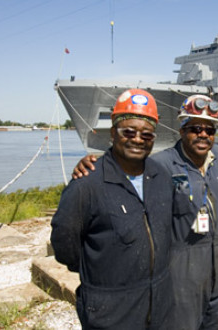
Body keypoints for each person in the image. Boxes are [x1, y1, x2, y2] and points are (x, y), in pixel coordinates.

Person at [73, 94, 218, 330]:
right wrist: (90, 165)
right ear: (181, 130)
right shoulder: (159, 165)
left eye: (209, 130)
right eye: (195, 128)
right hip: (182, 271)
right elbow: (121, 170)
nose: (203, 134)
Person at [51, 89, 173, 329]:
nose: (137, 139)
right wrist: (95, 266)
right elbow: (64, 241)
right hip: (111, 310)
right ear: (113, 134)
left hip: (159, 305)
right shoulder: (86, 184)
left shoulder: (161, 177)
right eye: (128, 131)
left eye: (146, 135)